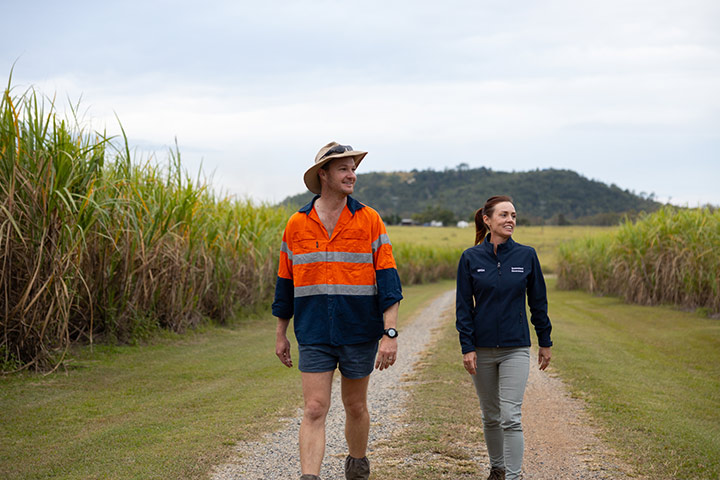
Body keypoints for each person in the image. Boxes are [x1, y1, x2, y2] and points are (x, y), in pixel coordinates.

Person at [272, 141, 403, 480]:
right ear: (324, 174)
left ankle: (357, 467)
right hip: (314, 332)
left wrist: (389, 334)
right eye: (343, 168)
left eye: (353, 168)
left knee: (355, 405)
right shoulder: (296, 224)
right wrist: (280, 334)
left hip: (358, 331)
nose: (352, 175)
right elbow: (285, 284)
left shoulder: (369, 220)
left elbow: (389, 282)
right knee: (314, 408)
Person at [455, 195, 553, 480]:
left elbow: (538, 303)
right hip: (481, 350)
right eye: (504, 215)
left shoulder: (526, 255)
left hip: (515, 348)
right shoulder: (470, 258)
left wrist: (545, 341)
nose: (510, 220)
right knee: (490, 415)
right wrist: (467, 347)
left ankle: (513, 475)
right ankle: (497, 469)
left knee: (510, 417)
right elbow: (463, 308)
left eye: (513, 215)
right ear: (487, 220)